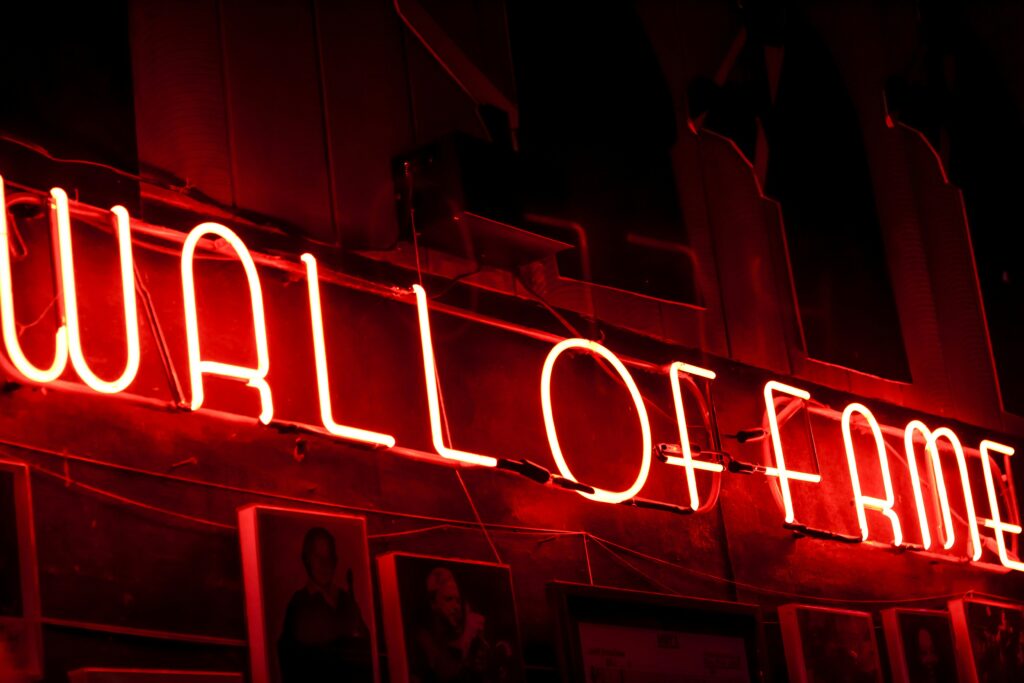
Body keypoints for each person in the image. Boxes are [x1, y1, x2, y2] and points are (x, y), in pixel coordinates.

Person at [277, 527, 373, 683]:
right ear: (307, 560)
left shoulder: (346, 600)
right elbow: (290, 661)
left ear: (335, 560)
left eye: (329, 557)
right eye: (318, 557)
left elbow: (365, 651)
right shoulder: (299, 603)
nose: (324, 564)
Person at [409, 567, 514, 683]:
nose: (456, 607)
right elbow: (445, 672)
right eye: (449, 599)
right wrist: (467, 636)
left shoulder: (455, 634)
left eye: (458, 601)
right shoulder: (423, 635)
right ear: (433, 603)